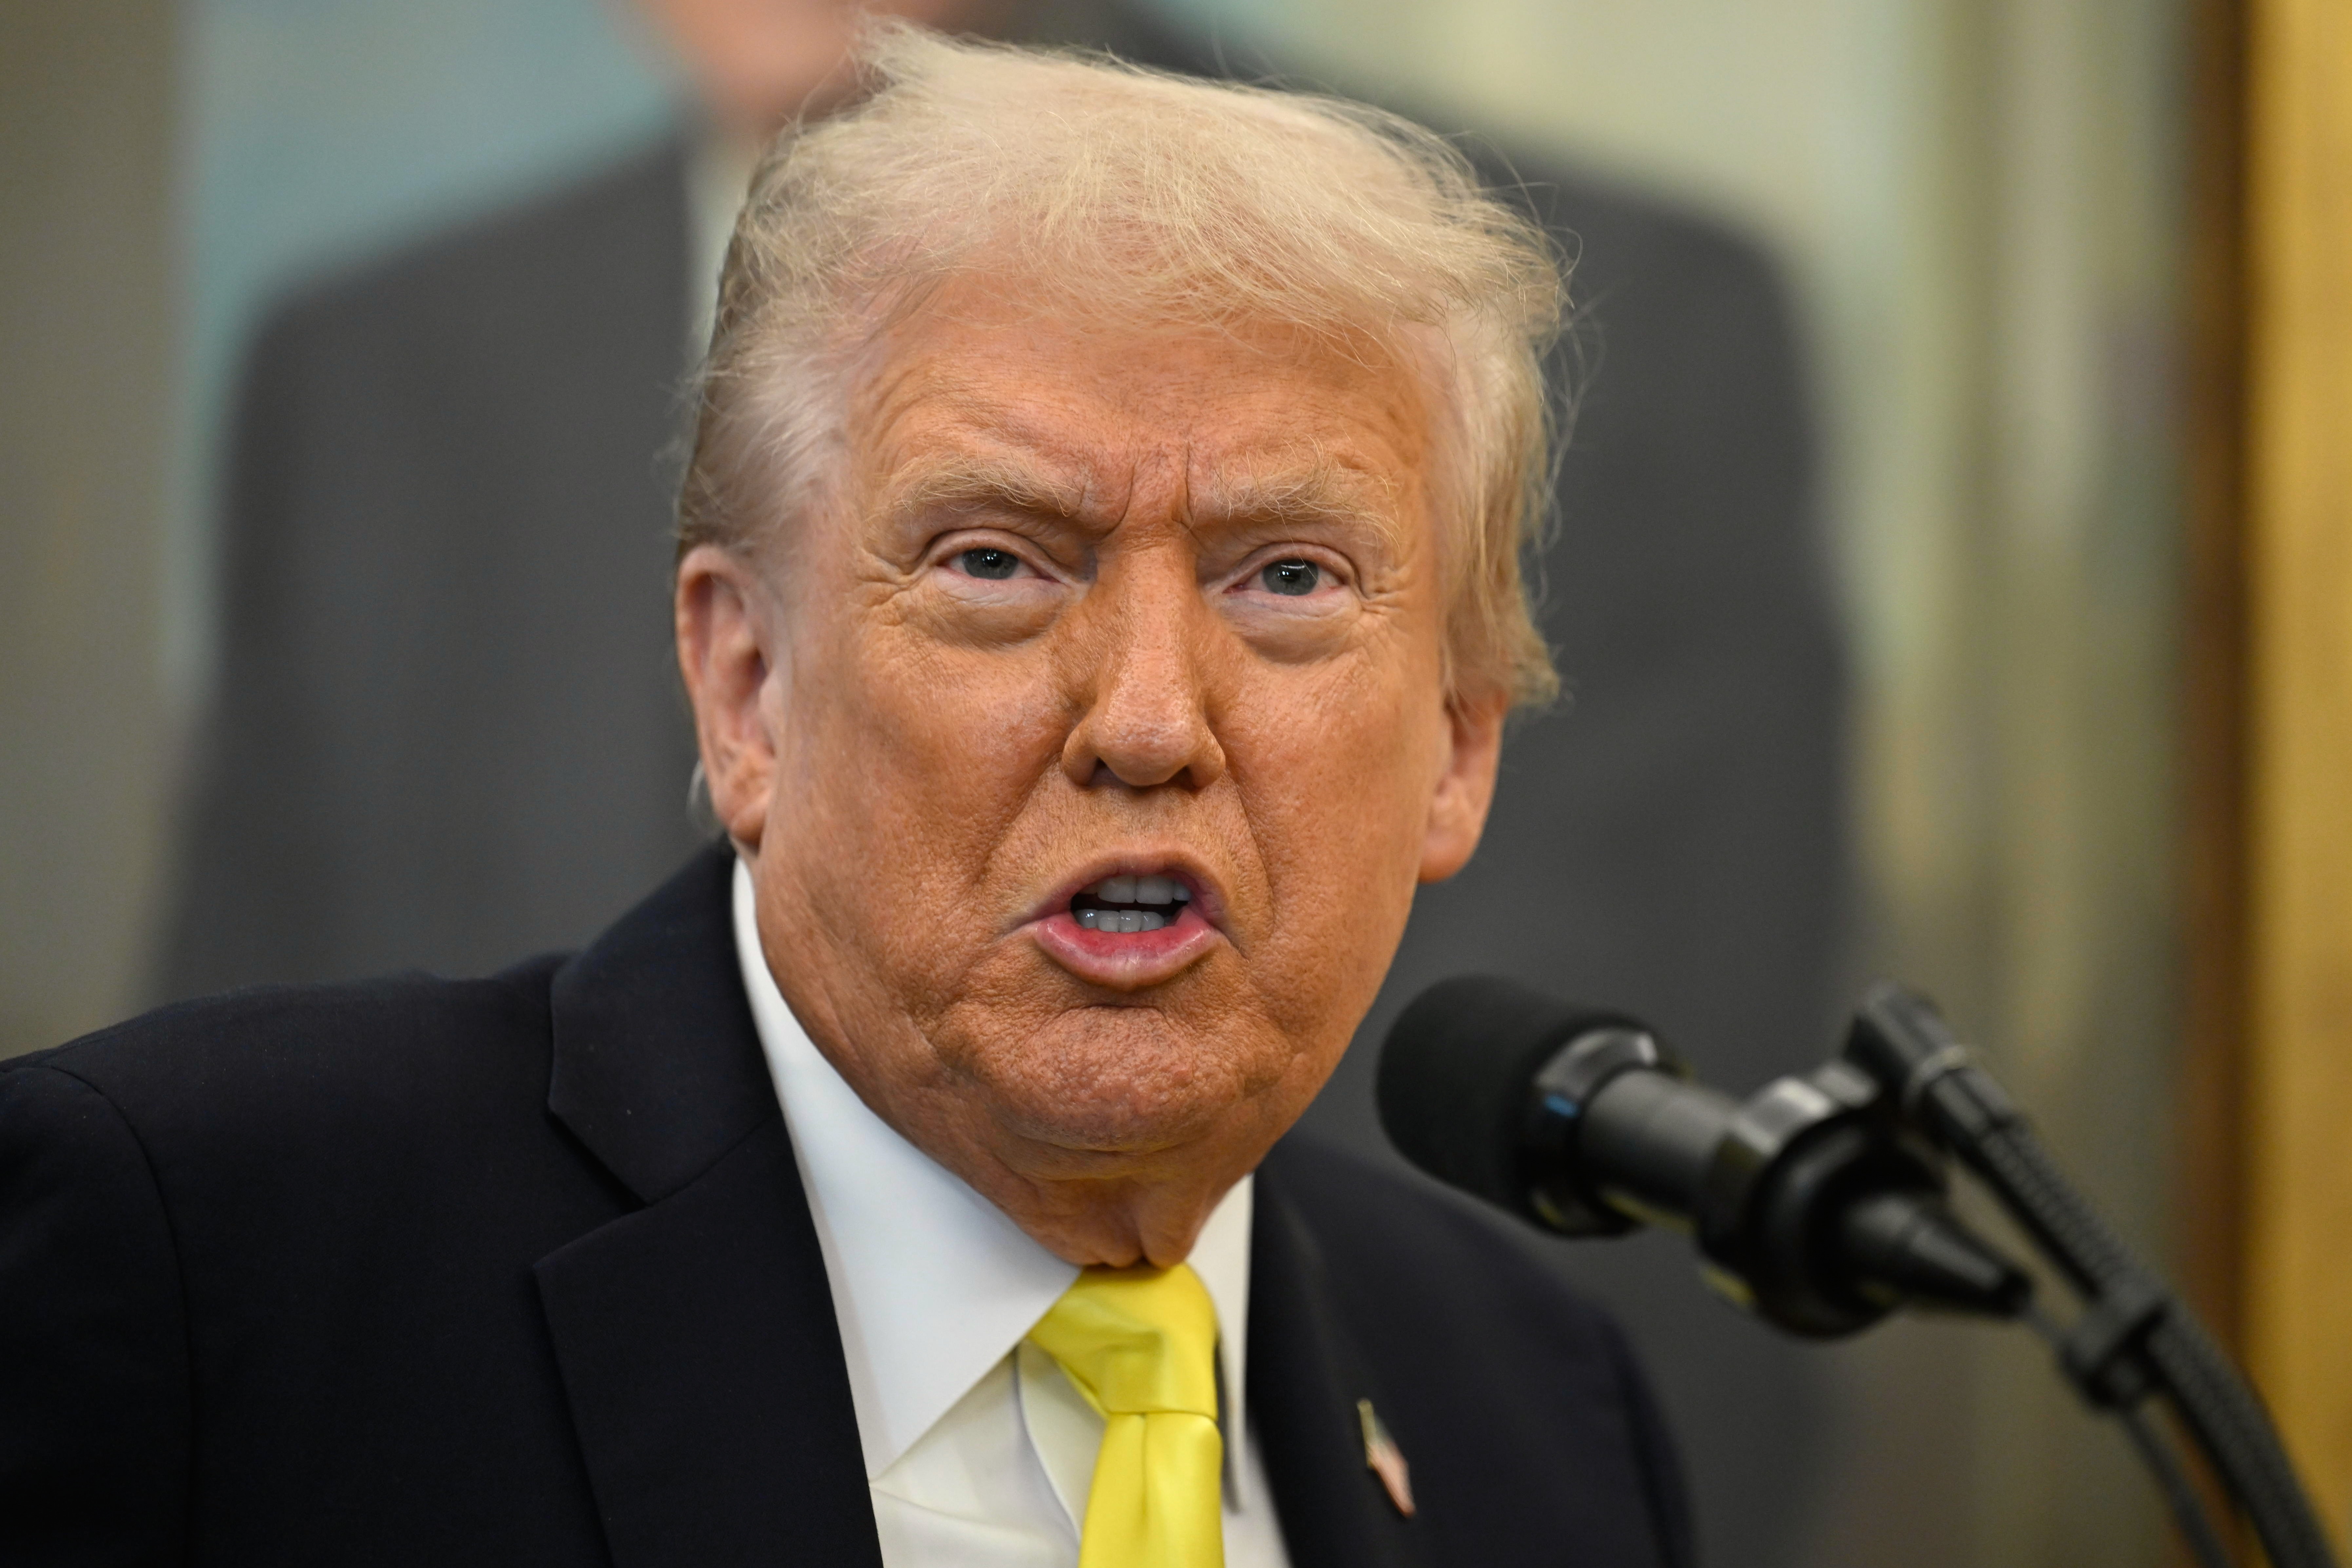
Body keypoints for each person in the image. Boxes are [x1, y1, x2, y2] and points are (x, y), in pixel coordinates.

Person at [161, 1, 1844, 1558]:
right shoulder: (192, 1267)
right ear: (744, 689)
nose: (1143, 720)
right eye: (992, 562)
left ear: (1460, 749)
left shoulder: (1553, 1427)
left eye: (1286, 581)